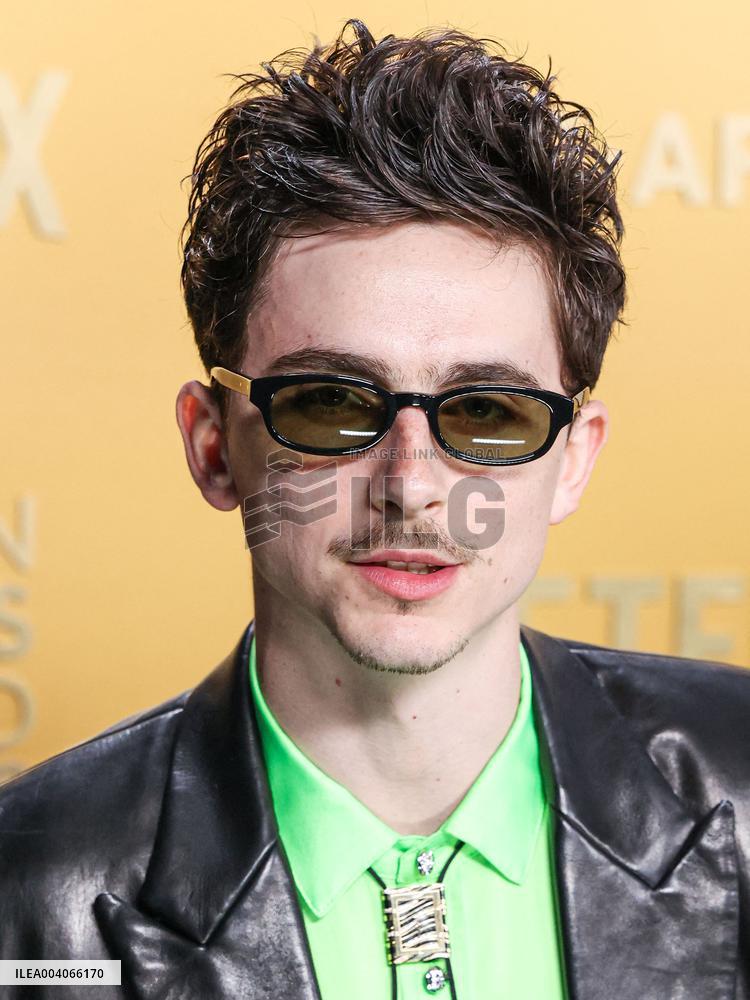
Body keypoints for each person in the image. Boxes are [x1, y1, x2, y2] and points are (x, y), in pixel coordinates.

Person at [0, 18, 748, 1000]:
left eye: (486, 412)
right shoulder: (30, 898)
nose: (411, 484)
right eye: (332, 403)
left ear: (573, 457)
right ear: (214, 443)